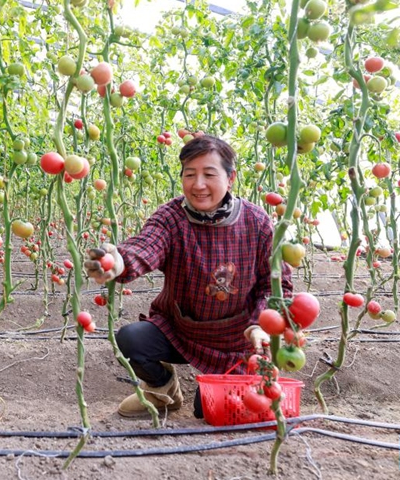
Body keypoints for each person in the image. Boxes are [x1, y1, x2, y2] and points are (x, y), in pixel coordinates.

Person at [85, 135, 293, 419]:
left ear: (230, 178)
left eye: (209, 174)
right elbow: (148, 245)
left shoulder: (258, 224)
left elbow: (275, 284)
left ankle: (217, 381)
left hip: (237, 341)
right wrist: (119, 261)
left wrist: (260, 324)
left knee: (207, 412)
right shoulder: (172, 217)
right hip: (179, 330)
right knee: (131, 339)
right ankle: (163, 391)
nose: (198, 185)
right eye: (189, 174)